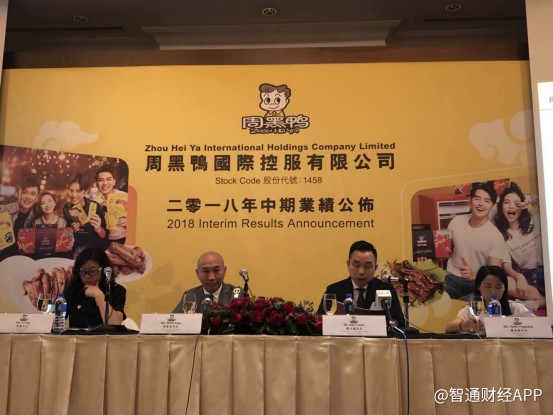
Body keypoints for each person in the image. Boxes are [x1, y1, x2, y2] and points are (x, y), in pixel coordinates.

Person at [317, 240, 405, 327]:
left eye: (367, 266)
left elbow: (399, 321)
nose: (361, 272)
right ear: (348, 264)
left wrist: (390, 324)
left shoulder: (386, 289)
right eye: (356, 265)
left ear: (375, 268)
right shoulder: (334, 290)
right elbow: (319, 321)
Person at [444, 182, 508, 300]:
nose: (481, 204)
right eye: (477, 199)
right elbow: (444, 250)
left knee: (467, 305)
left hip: (477, 284)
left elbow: (494, 275)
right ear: (470, 201)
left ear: (493, 206)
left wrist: (475, 275)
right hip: (451, 279)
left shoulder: (495, 236)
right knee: (434, 298)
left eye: (487, 201)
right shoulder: (456, 222)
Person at [494, 183, 545, 309]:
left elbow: (544, 200)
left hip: (547, 270)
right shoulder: (500, 236)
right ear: (501, 207)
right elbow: (507, 267)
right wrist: (519, 276)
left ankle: (539, 302)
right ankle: (544, 300)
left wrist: (524, 204)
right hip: (528, 277)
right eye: (506, 202)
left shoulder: (534, 218)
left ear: (522, 206)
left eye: (516, 203)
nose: (511, 206)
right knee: (502, 282)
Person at [445, 265, 531, 333]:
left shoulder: (516, 308)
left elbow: (537, 324)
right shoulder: (473, 309)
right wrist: (463, 325)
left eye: (498, 287)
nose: (493, 292)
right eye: (488, 286)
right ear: (479, 286)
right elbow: (449, 327)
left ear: (504, 288)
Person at [64, 247, 126, 328]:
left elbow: (115, 325)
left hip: (104, 336)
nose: (87, 276)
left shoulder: (116, 290)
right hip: (78, 336)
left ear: (104, 270)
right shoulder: (72, 289)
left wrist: (99, 296)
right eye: (83, 271)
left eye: (92, 271)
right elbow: (55, 321)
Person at [172, 251, 243, 313]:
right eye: (206, 271)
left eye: (216, 270)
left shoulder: (236, 295)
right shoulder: (190, 296)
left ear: (224, 271)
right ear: (197, 273)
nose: (211, 277)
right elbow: (176, 320)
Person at [62, 173, 108, 258]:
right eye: (71, 190)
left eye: (78, 191)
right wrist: (71, 230)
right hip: (76, 248)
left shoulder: (94, 206)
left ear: (85, 191)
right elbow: (66, 235)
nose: (74, 195)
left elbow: (104, 236)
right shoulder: (67, 207)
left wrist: (98, 228)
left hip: (94, 248)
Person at [0, 175, 40, 260]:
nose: (28, 197)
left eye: (33, 194)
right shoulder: (6, 211)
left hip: (26, 260)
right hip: (3, 259)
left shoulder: (37, 215)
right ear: (18, 194)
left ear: (37, 198)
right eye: (25, 192)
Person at [93, 165, 127, 244]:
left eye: (108, 179)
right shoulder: (95, 203)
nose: (105, 183)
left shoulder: (125, 196)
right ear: (97, 183)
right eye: (101, 180)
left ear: (114, 181)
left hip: (127, 238)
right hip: (107, 242)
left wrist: (130, 221)